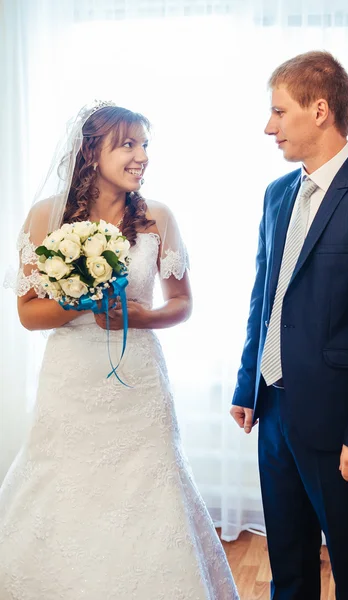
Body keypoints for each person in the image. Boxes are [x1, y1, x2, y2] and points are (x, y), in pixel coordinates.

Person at [0, 102, 239, 599]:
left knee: (151, 488)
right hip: (71, 378)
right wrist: (81, 299)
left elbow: (182, 302)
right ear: (92, 152)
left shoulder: (158, 218)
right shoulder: (46, 216)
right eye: (128, 145)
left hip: (139, 378)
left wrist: (140, 316)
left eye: (145, 145)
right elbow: (27, 313)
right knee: (64, 484)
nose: (141, 157)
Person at [230, 51, 348, 600]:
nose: (268, 126)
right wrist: (246, 385)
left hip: (341, 427)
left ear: (320, 110)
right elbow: (265, 298)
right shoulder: (278, 195)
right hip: (274, 412)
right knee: (289, 566)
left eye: (279, 112)